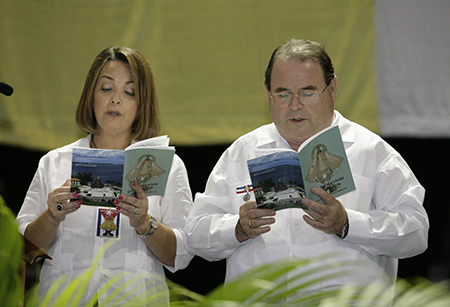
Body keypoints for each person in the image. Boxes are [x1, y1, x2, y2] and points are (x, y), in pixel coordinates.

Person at [185, 39, 429, 300]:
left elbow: (415, 232)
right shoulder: (241, 152)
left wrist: (348, 223)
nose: (295, 105)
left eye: (308, 92)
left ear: (332, 88)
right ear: (268, 92)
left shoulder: (372, 151)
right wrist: (237, 229)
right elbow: (195, 234)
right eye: (283, 93)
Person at [16, 46, 193, 305]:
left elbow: (181, 255)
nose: (116, 99)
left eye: (129, 92)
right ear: (91, 96)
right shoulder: (55, 162)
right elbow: (23, 251)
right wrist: (52, 215)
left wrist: (145, 223)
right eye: (106, 88)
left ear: (142, 103)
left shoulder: (167, 165)